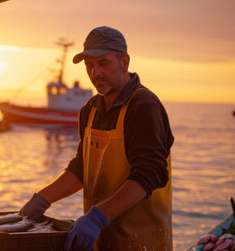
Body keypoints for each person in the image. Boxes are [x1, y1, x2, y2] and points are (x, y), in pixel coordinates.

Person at [20, 26, 174, 251]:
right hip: (100, 243)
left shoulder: (143, 106)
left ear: (125, 62)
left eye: (103, 63)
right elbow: (82, 169)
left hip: (143, 244)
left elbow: (149, 174)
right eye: (89, 66)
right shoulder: (90, 109)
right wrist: (40, 200)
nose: (95, 73)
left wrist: (97, 217)